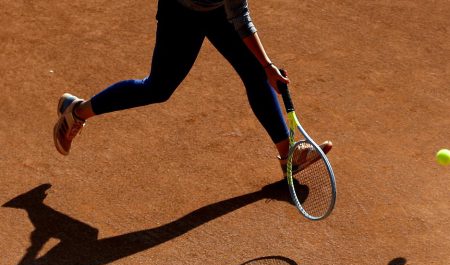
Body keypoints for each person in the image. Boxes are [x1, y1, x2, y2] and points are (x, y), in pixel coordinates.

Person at [53, 0, 332, 176]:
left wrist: (267, 65)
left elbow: (239, 13)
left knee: (255, 72)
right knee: (158, 88)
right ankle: (77, 112)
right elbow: (241, 17)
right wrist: (267, 64)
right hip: (180, 14)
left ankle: (289, 155)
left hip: (219, 10)